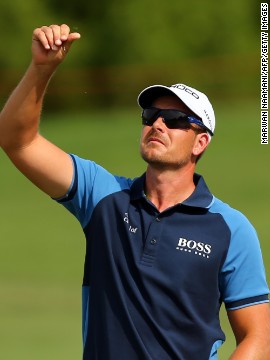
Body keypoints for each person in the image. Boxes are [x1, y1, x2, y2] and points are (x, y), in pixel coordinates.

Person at [0, 24, 269, 360]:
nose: (157, 124)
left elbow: (258, 339)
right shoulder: (102, 195)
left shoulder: (231, 229)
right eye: (151, 115)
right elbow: (17, 140)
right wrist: (41, 69)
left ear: (201, 142)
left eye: (174, 119)